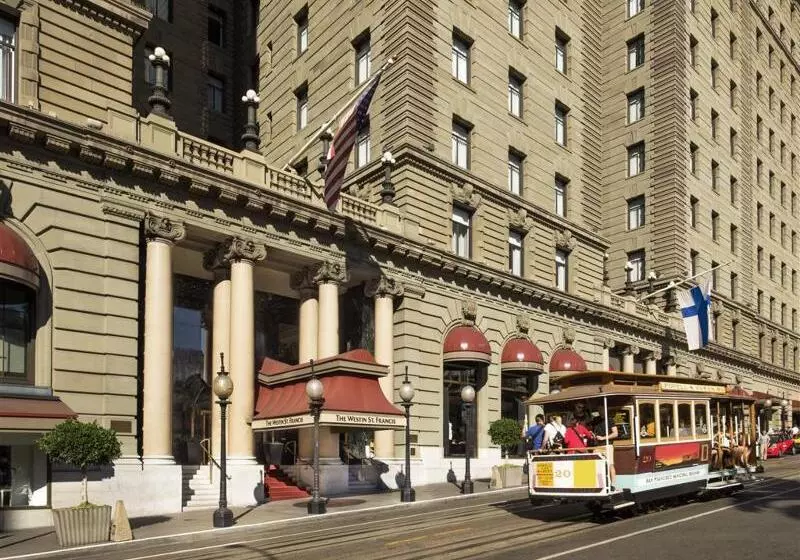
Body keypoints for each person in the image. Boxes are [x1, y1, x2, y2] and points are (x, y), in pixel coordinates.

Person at [591, 411, 618, 488]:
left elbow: (615, 433)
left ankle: (613, 485)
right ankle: (601, 485)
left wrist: (603, 438)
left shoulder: (610, 420)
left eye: (601, 408)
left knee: (610, 465)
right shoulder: (595, 421)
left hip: (607, 445)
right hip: (597, 446)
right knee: (597, 465)